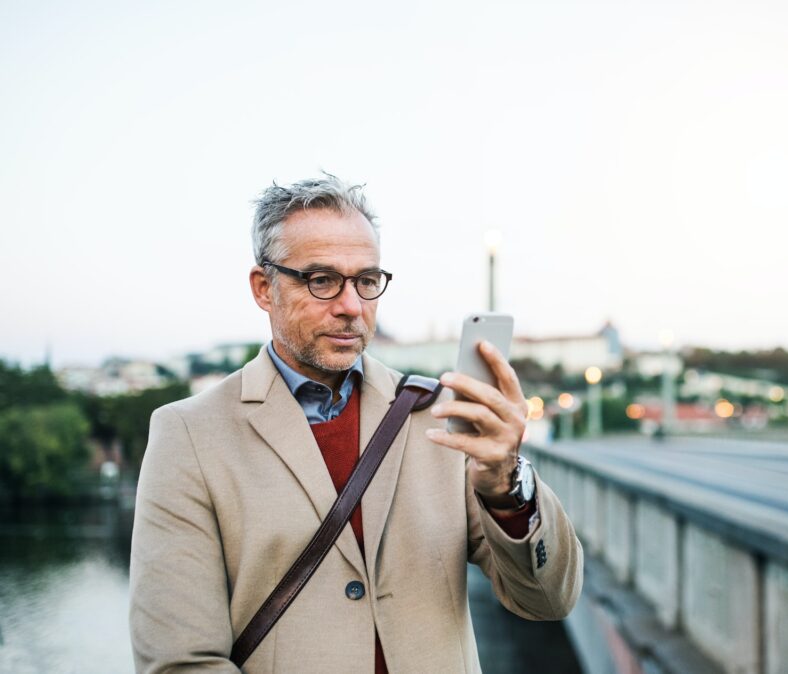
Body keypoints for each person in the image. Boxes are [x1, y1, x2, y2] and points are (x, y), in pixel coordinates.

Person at [128, 174, 583, 673]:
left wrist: (506, 486)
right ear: (263, 288)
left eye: (366, 281)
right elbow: (181, 662)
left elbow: (549, 600)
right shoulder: (189, 435)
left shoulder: (437, 415)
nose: (351, 307)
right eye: (322, 280)